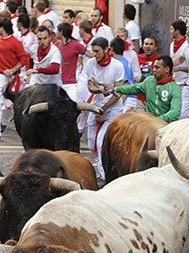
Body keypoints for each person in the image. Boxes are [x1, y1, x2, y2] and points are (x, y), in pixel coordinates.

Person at [83, 36, 124, 179]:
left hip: (113, 109)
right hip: (96, 106)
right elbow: (90, 86)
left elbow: (118, 93)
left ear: (107, 50)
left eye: (98, 51)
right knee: (91, 141)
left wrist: (104, 108)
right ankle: (99, 163)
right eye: (93, 51)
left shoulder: (117, 66)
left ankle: (103, 175)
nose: (95, 55)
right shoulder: (90, 64)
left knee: (101, 142)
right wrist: (101, 91)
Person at [0, 17, 28, 142]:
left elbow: (23, 59)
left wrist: (13, 70)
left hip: (11, 77)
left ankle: (3, 122)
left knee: (9, 104)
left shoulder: (15, 43)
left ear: (3, 28)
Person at [115, 54, 181, 123]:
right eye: (154, 67)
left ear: (167, 69)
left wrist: (158, 120)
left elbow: (175, 112)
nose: (153, 70)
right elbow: (133, 88)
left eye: (157, 67)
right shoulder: (149, 81)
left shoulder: (175, 88)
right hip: (150, 124)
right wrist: (116, 89)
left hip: (167, 126)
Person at [56, 21, 85, 101]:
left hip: (71, 84)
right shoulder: (56, 46)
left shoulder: (76, 45)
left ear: (61, 32)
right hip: (58, 83)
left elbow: (88, 54)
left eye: (57, 31)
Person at [169, 19, 189, 118]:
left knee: (182, 113)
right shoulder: (172, 44)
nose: (170, 31)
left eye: (172, 29)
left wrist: (179, 68)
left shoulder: (187, 45)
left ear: (177, 31)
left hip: (185, 83)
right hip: (174, 81)